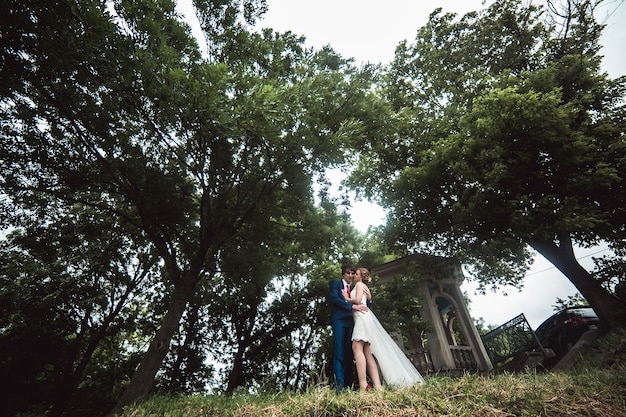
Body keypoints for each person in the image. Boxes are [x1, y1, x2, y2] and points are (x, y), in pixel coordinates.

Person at [343, 267, 424, 389]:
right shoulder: (364, 286)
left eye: (357, 274)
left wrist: (346, 298)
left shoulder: (359, 285)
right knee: (367, 352)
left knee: (356, 347)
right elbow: (368, 298)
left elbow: (358, 300)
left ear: (361, 277)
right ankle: (378, 386)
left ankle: (363, 383)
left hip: (361, 318)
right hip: (366, 318)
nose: (354, 275)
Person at [329, 264, 368, 391]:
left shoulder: (355, 287)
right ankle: (340, 387)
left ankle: (349, 385)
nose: (350, 276)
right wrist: (351, 307)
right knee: (339, 353)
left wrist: (368, 295)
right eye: (348, 273)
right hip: (339, 320)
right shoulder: (336, 284)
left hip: (352, 321)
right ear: (343, 274)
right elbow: (334, 299)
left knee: (349, 353)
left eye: (352, 273)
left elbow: (361, 301)